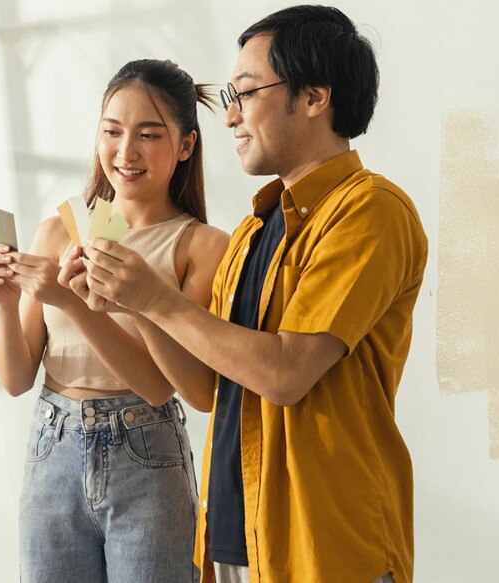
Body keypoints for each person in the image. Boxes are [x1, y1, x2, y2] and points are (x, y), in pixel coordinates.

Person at [67, 6, 427, 583]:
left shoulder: (369, 211)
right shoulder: (255, 229)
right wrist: (133, 303)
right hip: (237, 538)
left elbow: (286, 374)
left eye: (246, 92)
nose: (229, 116)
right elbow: (206, 389)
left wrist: (155, 299)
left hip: (326, 547)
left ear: (314, 97)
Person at [0, 59, 230, 582]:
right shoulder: (58, 229)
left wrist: (72, 304)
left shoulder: (201, 247)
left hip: (147, 453)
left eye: (149, 134)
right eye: (112, 131)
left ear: (186, 145)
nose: (125, 152)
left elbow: (164, 388)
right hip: (51, 446)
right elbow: (17, 381)